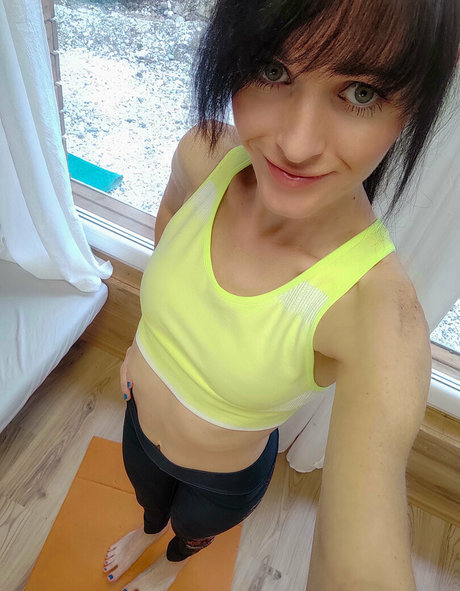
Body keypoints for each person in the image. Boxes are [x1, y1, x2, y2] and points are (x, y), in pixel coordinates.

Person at [103, 1, 459, 590]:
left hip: (219, 482)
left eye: (361, 92)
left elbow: (360, 561)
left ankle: (171, 563)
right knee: (149, 503)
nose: (295, 144)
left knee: (190, 530)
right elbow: (170, 236)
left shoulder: (374, 314)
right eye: (272, 69)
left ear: (414, 105)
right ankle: (146, 531)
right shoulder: (204, 155)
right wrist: (141, 350)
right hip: (136, 420)